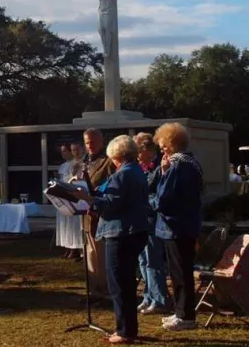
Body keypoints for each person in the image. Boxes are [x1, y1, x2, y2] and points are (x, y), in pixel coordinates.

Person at [72, 135, 149, 344]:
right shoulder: (136, 171)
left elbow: (110, 204)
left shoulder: (122, 174)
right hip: (135, 230)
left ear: (117, 155)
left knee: (119, 283)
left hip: (121, 232)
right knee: (126, 282)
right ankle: (128, 328)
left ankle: (124, 331)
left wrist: (86, 198)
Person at [153, 123, 203, 331]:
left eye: (164, 146)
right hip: (185, 224)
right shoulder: (191, 162)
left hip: (176, 225)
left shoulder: (179, 165)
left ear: (173, 144)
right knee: (178, 272)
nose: (162, 150)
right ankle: (181, 311)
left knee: (181, 273)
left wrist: (150, 201)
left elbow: (163, 198)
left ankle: (186, 316)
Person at [133, 132, 169, 315]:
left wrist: (143, 200)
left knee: (153, 260)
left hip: (152, 219)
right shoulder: (139, 167)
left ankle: (160, 299)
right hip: (140, 218)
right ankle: (148, 296)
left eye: (138, 150)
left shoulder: (159, 166)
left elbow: (158, 194)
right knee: (143, 259)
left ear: (147, 149)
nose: (136, 154)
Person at [82, 128, 115, 298]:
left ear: (102, 141)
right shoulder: (84, 161)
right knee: (90, 253)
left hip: (101, 214)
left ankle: (104, 289)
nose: (90, 146)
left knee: (100, 254)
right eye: (87, 142)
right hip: (86, 214)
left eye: (93, 142)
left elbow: (112, 185)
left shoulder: (108, 161)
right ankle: (93, 289)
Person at [56, 143, 84, 259]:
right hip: (64, 193)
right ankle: (68, 247)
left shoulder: (80, 162)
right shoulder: (64, 165)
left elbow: (76, 178)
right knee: (66, 223)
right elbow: (62, 179)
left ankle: (77, 249)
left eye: (76, 149)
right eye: (73, 150)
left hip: (76, 193)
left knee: (75, 223)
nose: (75, 152)